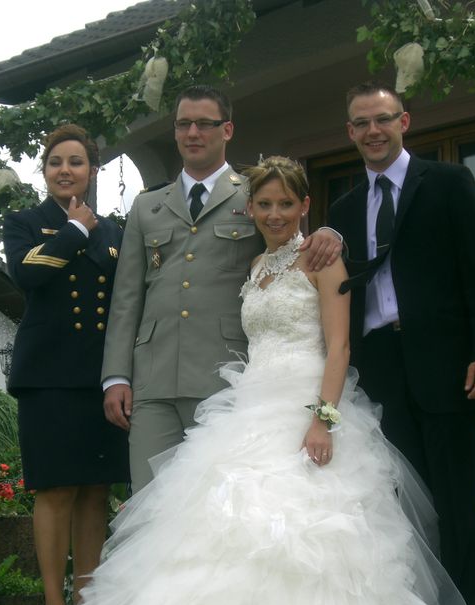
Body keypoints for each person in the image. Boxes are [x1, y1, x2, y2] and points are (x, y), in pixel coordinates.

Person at [47, 156, 466, 605]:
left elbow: (340, 348)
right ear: (251, 210)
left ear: (304, 207)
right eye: (264, 205)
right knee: (225, 538)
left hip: (307, 407)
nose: (274, 214)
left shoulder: (323, 257)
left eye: (285, 205)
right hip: (248, 405)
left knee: (296, 545)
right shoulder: (258, 266)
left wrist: (323, 419)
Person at [327, 82, 475, 605]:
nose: (373, 131)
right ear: (350, 133)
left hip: (446, 359)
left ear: (404, 121)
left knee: (453, 489)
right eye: (361, 123)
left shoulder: (447, 184)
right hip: (380, 364)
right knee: (405, 492)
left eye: (383, 119)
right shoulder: (344, 209)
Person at [102, 84, 341, 490]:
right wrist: (116, 377)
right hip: (152, 381)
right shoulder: (147, 206)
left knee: (208, 505)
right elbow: (127, 298)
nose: (193, 133)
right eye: (183, 124)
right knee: (149, 499)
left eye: (204, 124)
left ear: (227, 130)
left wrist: (331, 233)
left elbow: (289, 242)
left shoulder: (254, 194)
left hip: (224, 379)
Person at [3, 123, 129, 605]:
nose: (65, 170)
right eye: (56, 162)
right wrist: (76, 231)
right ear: (45, 170)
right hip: (48, 377)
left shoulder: (116, 231)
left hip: (98, 375)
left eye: (76, 162)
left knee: (95, 489)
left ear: (92, 171)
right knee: (54, 489)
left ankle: (88, 603)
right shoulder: (25, 222)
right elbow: (27, 273)